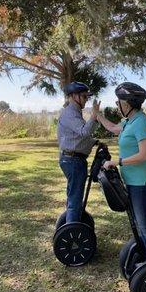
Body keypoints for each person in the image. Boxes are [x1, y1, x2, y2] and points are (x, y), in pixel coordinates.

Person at [94, 82, 146, 260]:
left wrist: (117, 162)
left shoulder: (141, 122)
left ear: (128, 104)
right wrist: (97, 115)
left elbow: (145, 155)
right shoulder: (129, 121)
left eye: (119, 102)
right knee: (140, 223)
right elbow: (111, 128)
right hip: (134, 180)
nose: (117, 105)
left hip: (142, 181)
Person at [57, 81, 98, 223]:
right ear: (74, 96)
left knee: (73, 196)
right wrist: (94, 116)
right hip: (73, 161)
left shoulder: (74, 112)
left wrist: (95, 142)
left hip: (72, 159)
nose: (86, 100)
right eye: (84, 96)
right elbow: (84, 132)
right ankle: (72, 235)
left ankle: (72, 223)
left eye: (87, 97)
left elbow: (75, 138)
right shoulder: (70, 113)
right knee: (75, 199)